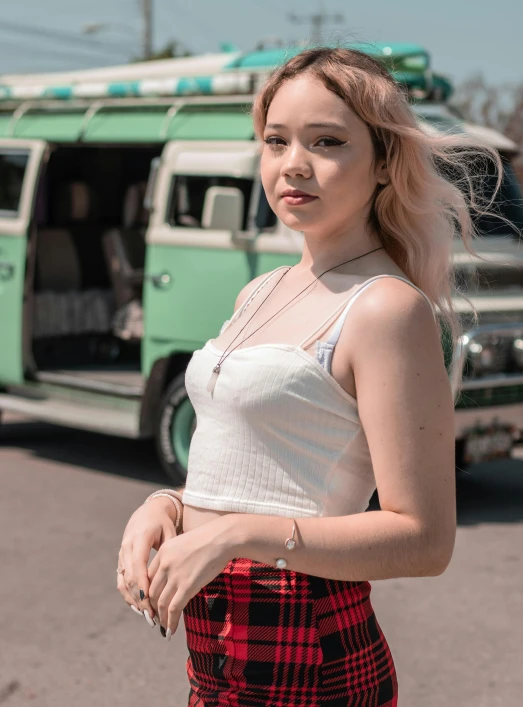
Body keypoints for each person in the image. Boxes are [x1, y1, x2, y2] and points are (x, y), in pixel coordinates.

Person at [116, 47, 498, 706]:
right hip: (216, 642)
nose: (294, 162)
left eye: (327, 141)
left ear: (383, 162)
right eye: (276, 140)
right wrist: (167, 506)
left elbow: (425, 538)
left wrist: (237, 535)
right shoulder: (260, 290)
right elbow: (251, 470)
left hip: (304, 641)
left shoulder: (385, 307)